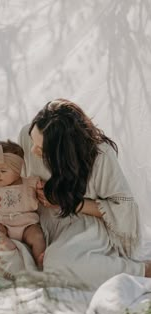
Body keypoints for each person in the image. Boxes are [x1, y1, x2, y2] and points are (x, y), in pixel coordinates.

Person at [17, 98, 151, 289]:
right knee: (6, 255)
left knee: (58, 264)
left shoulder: (100, 156)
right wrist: (30, 188)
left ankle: (143, 270)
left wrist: (68, 202)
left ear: (63, 152)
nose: (32, 150)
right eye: (32, 140)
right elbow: (19, 178)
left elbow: (124, 210)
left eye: (41, 149)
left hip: (83, 221)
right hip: (39, 220)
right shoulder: (27, 135)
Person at [0, 139, 46, 268]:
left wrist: (44, 188)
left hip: (27, 224)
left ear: (17, 170)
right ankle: (7, 249)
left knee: (37, 236)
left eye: (3, 171)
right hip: (4, 223)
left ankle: (39, 262)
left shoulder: (29, 183)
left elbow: (44, 189)